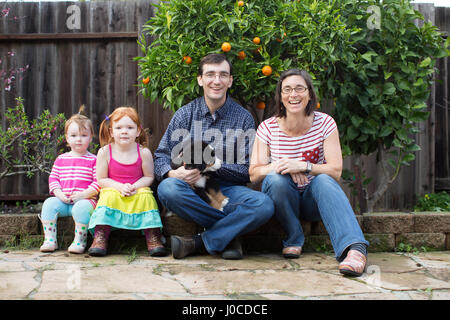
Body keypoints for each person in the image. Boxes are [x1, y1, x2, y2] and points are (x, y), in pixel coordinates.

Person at [249, 69, 369, 277]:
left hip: (314, 200)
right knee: (275, 179)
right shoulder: (267, 128)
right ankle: (294, 237)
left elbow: (336, 171)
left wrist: (304, 166)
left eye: (299, 89)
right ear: (280, 96)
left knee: (323, 179)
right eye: (287, 89)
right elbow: (254, 173)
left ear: (310, 94)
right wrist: (284, 165)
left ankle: (355, 249)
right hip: (284, 200)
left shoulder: (325, 123)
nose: (293, 94)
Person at [155, 53, 274, 260]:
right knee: (167, 188)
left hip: (229, 190)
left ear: (230, 81)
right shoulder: (185, 115)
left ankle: (200, 242)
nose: (216, 81)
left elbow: (249, 170)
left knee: (264, 204)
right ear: (200, 79)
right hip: (191, 189)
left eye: (223, 75)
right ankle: (230, 235)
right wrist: (173, 173)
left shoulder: (243, 118)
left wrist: (212, 166)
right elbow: (161, 156)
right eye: (210, 74)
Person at [87, 106, 167, 257]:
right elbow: (102, 179)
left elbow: (149, 177)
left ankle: (152, 235)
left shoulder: (143, 152)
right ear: (111, 131)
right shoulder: (104, 152)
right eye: (119, 127)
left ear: (138, 131)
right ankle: (101, 235)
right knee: (108, 196)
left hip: (136, 190)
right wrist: (119, 186)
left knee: (146, 195)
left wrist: (134, 186)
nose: (124, 131)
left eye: (130, 127)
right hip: (113, 190)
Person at [39, 105, 100, 254]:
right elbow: (53, 178)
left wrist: (83, 195)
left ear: (91, 137)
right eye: (73, 136)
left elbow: (98, 182)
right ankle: (50, 240)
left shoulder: (94, 160)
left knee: (81, 208)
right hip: (63, 201)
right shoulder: (61, 159)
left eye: (83, 135)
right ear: (67, 138)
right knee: (49, 203)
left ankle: (80, 241)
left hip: (85, 201)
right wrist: (59, 194)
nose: (78, 139)